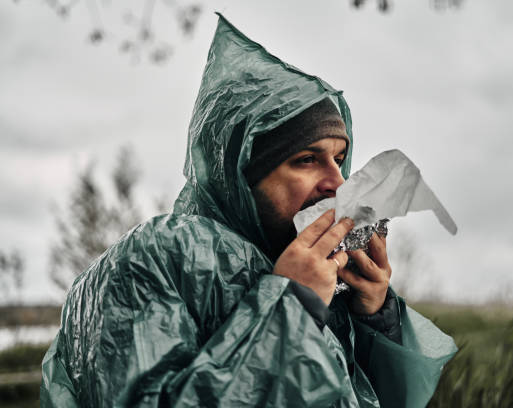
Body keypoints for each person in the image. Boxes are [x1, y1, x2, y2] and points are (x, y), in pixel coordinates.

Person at [40, 14, 456, 408]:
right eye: (308, 159)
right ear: (239, 175)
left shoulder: (316, 280)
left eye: (339, 159)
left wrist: (375, 318)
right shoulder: (155, 259)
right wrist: (292, 309)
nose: (338, 182)